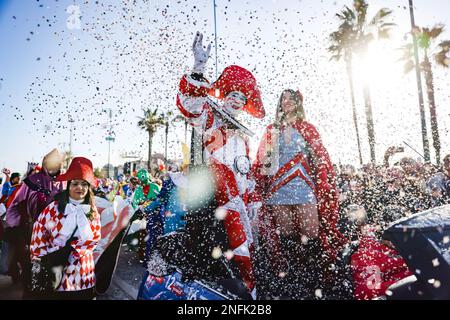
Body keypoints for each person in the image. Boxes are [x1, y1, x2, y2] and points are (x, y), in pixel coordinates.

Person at [175, 31, 265, 295]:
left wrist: (249, 196)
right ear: (224, 95)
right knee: (207, 239)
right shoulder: (209, 117)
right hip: (208, 193)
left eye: (242, 98)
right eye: (232, 94)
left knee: (235, 242)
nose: (236, 100)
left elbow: (243, 170)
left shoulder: (243, 136)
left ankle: (237, 285)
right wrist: (199, 66)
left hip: (234, 198)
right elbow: (190, 105)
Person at [251, 89, 348, 299]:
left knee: (310, 233)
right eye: (283, 99)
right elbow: (264, 164)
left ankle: (315, 279)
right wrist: (258, 185)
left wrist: (325, 182)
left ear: (297, 103)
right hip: (278, 190)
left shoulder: (308, 128)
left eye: (290, 99)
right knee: (287, 236)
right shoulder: (272, 129)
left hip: (304, 187)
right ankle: (295, 280)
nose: (286, 102)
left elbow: (320, 159)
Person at [29, 157, 101, 300]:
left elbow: (95, 236)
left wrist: (75, 251)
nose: (79, 188)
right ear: (68, 185)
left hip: (82, 272)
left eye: (84, 184)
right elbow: (38, 230)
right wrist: (43, 256)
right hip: (56, 269)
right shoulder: (54, 208)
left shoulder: (92, 211)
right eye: (75, 184)